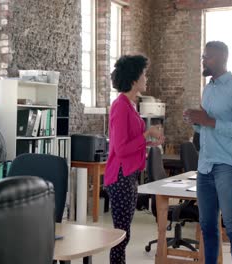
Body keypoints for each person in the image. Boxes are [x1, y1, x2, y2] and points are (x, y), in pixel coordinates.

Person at [183, 41, 232, 264]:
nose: (204, 61)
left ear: (223, 58)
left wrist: (209, 121)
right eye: (203, 57)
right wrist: (195, 121)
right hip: (205, 166)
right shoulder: (208, 89)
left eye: (208, 57)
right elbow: (206, 126)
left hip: (228, 165)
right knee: (207, 227)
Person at [105, 55, 164, 263]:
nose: (146, 78)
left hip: (128, 175)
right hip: (121, 176)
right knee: (121, 235)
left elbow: (131, 142)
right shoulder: (121, 106)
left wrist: (149, 142)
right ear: (134, 80)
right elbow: (121, 149)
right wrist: (147, 135)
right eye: (144, 74)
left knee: (124, 233)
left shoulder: (129, 104)